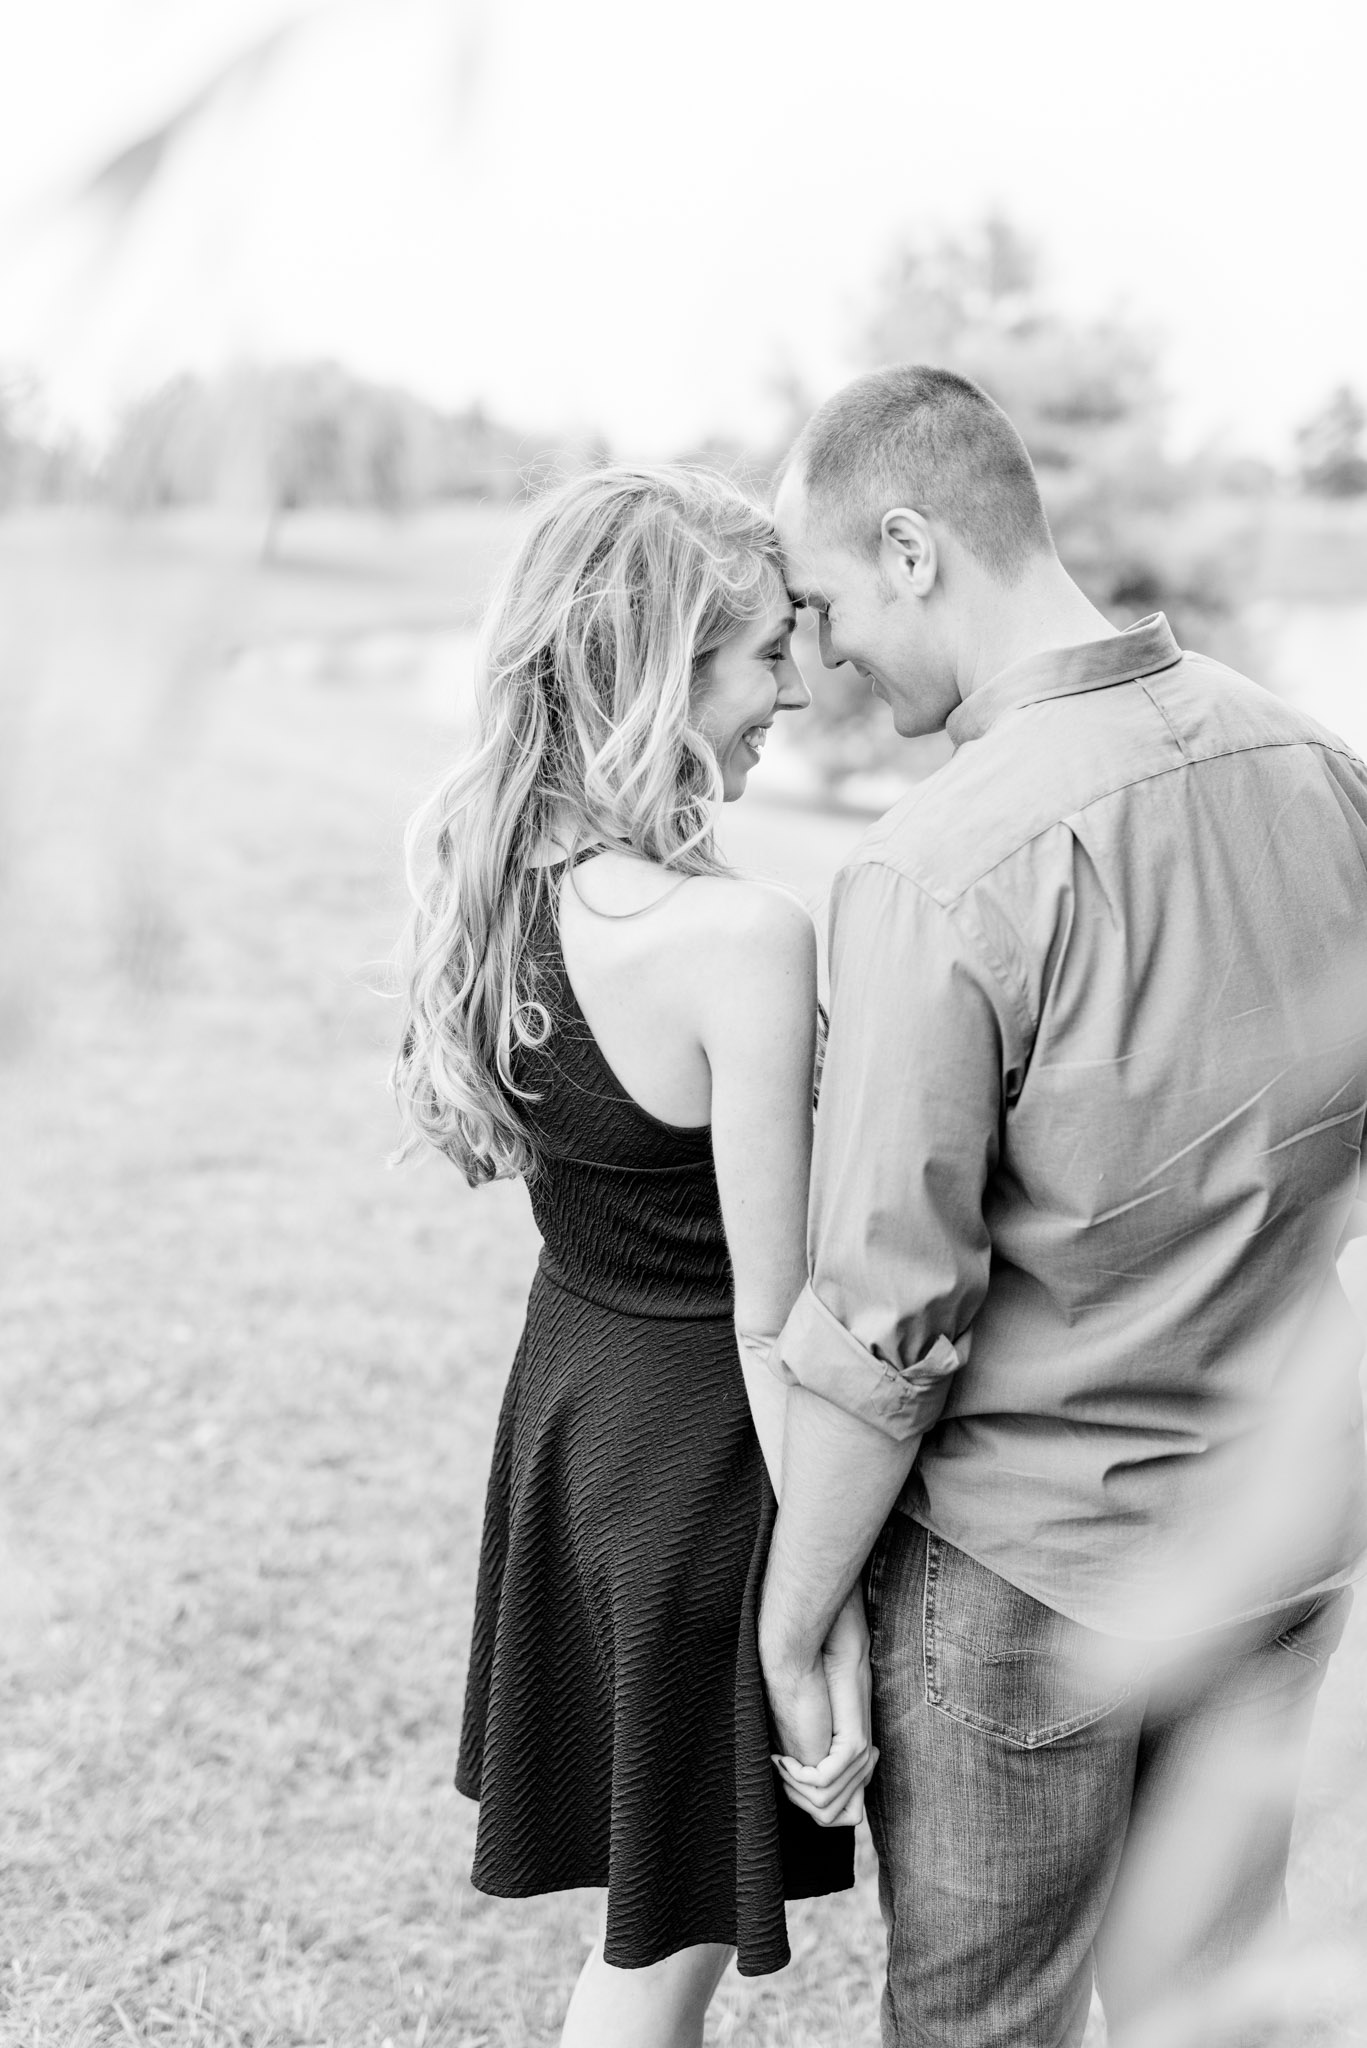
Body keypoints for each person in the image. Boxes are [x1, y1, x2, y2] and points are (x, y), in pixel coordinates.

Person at [757, 365, 1367, 2047]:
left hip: (1022, 1585)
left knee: (980, 2031)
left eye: (815, 608)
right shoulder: (1323, 768)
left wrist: (795, 1616)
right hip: (1278, 1538)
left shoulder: (940, 863)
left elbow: (889, 1323)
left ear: (910, 548)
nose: (814, 670)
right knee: (1202, 2017)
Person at [391, 465, 874, 2048]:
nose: (793, 694)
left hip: (578, 1435)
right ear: (661, 672)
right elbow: (771, 1321)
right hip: (709, 1478)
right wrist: (814, 1628)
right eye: (758, 659)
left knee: (643, 1939)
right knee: (654, 1966)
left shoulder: (502, 887)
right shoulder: (735, 942)